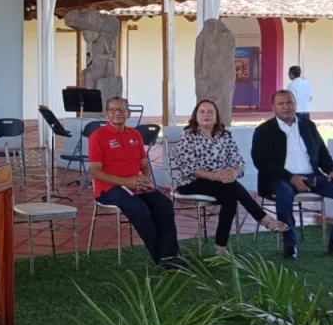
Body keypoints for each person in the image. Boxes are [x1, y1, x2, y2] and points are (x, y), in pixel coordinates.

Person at [251, 90, 333, 261]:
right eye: (281, 103)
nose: (286, 106)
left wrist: (332, 170)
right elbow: (261, 162)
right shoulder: (264, 130)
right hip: (281, 179)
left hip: (312, 177)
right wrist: (290, 177)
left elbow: (322, 153)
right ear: (273, 107)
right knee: (283, 194)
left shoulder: (308, 125)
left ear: (295, 104)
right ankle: (290, 243)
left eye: (289, 102)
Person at [175, 99, 288, 256]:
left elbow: (238, 161)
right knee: (230, 187)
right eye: (202, 112)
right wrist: (214, 176)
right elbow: (189, 166)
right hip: (191, 182)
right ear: (196, 116)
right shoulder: (188, 136)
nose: (206, 115)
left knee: (230, 198)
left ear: (216, 117)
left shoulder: (224, 136)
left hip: (222, 182)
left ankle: (220, 247)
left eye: (210, 112)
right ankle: (264, 219)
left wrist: (234, 172)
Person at [88, 96, 180, 266]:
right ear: (106, 114)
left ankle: (172, 254)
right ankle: (161, 257)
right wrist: (125, 182)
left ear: (128, 113)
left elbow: (144, 164)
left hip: (136, 184)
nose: (117, 113)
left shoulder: (135, 134)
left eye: (121, 109)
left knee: (164, 205)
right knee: (140, 208)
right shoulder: (98, 136)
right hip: (108, 189)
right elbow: (95, 172)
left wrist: (145, 179)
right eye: (113, 110)